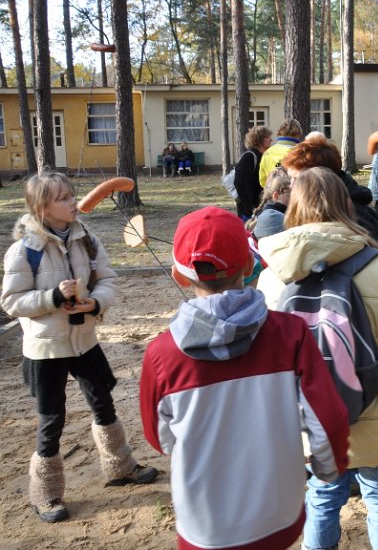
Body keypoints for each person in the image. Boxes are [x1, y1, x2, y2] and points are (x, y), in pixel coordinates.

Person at [140, 206, 349, 550]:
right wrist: (328, 468)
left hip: (204, 522)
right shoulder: (291, 334)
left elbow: (160, 439)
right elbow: (327, 418)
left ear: (180, 276)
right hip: (277, 512)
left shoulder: (161, 354)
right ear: (251, 265)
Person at [257, 167, 378, 550]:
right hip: (377, 410)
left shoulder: (275, 274)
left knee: (321, 496)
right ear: (344, 204)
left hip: (311, 416)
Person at [2, 172, 157, 523]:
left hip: (84, 340)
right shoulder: (25, 250)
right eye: (63, 198)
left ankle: (120, 467)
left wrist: (95, 302)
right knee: (52, 418)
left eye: (72, 195)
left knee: (103, 403)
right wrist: (53, 297)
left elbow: (107, 280)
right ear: (42, 207)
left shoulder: (86, 239)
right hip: (46, 348)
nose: (73, 202)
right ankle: (46, 493)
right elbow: (11, 301)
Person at [280, 132, 378, 243]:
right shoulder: (318, 208)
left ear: (321, 177)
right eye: (290, 178)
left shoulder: (357, 217)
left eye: (297, 179)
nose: (291, 186)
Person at [234, 125, 273, 219]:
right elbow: (240, 184)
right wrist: (251, 207)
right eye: (267, 137)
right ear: (259, 139)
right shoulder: (249, 157)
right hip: (249, 211)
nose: (271, 140)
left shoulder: (265, 156)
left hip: (261, 207)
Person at [246, 168, 291, 240]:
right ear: (276, 195)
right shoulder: (272, 216)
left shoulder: (265, 210)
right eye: (289, 196)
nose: (292, 200)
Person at [258, 119, 303, 187]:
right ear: (298, 134)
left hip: (272, 191)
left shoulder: (267, 152)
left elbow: (262, 180)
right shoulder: (298, 152)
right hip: (292, 191)